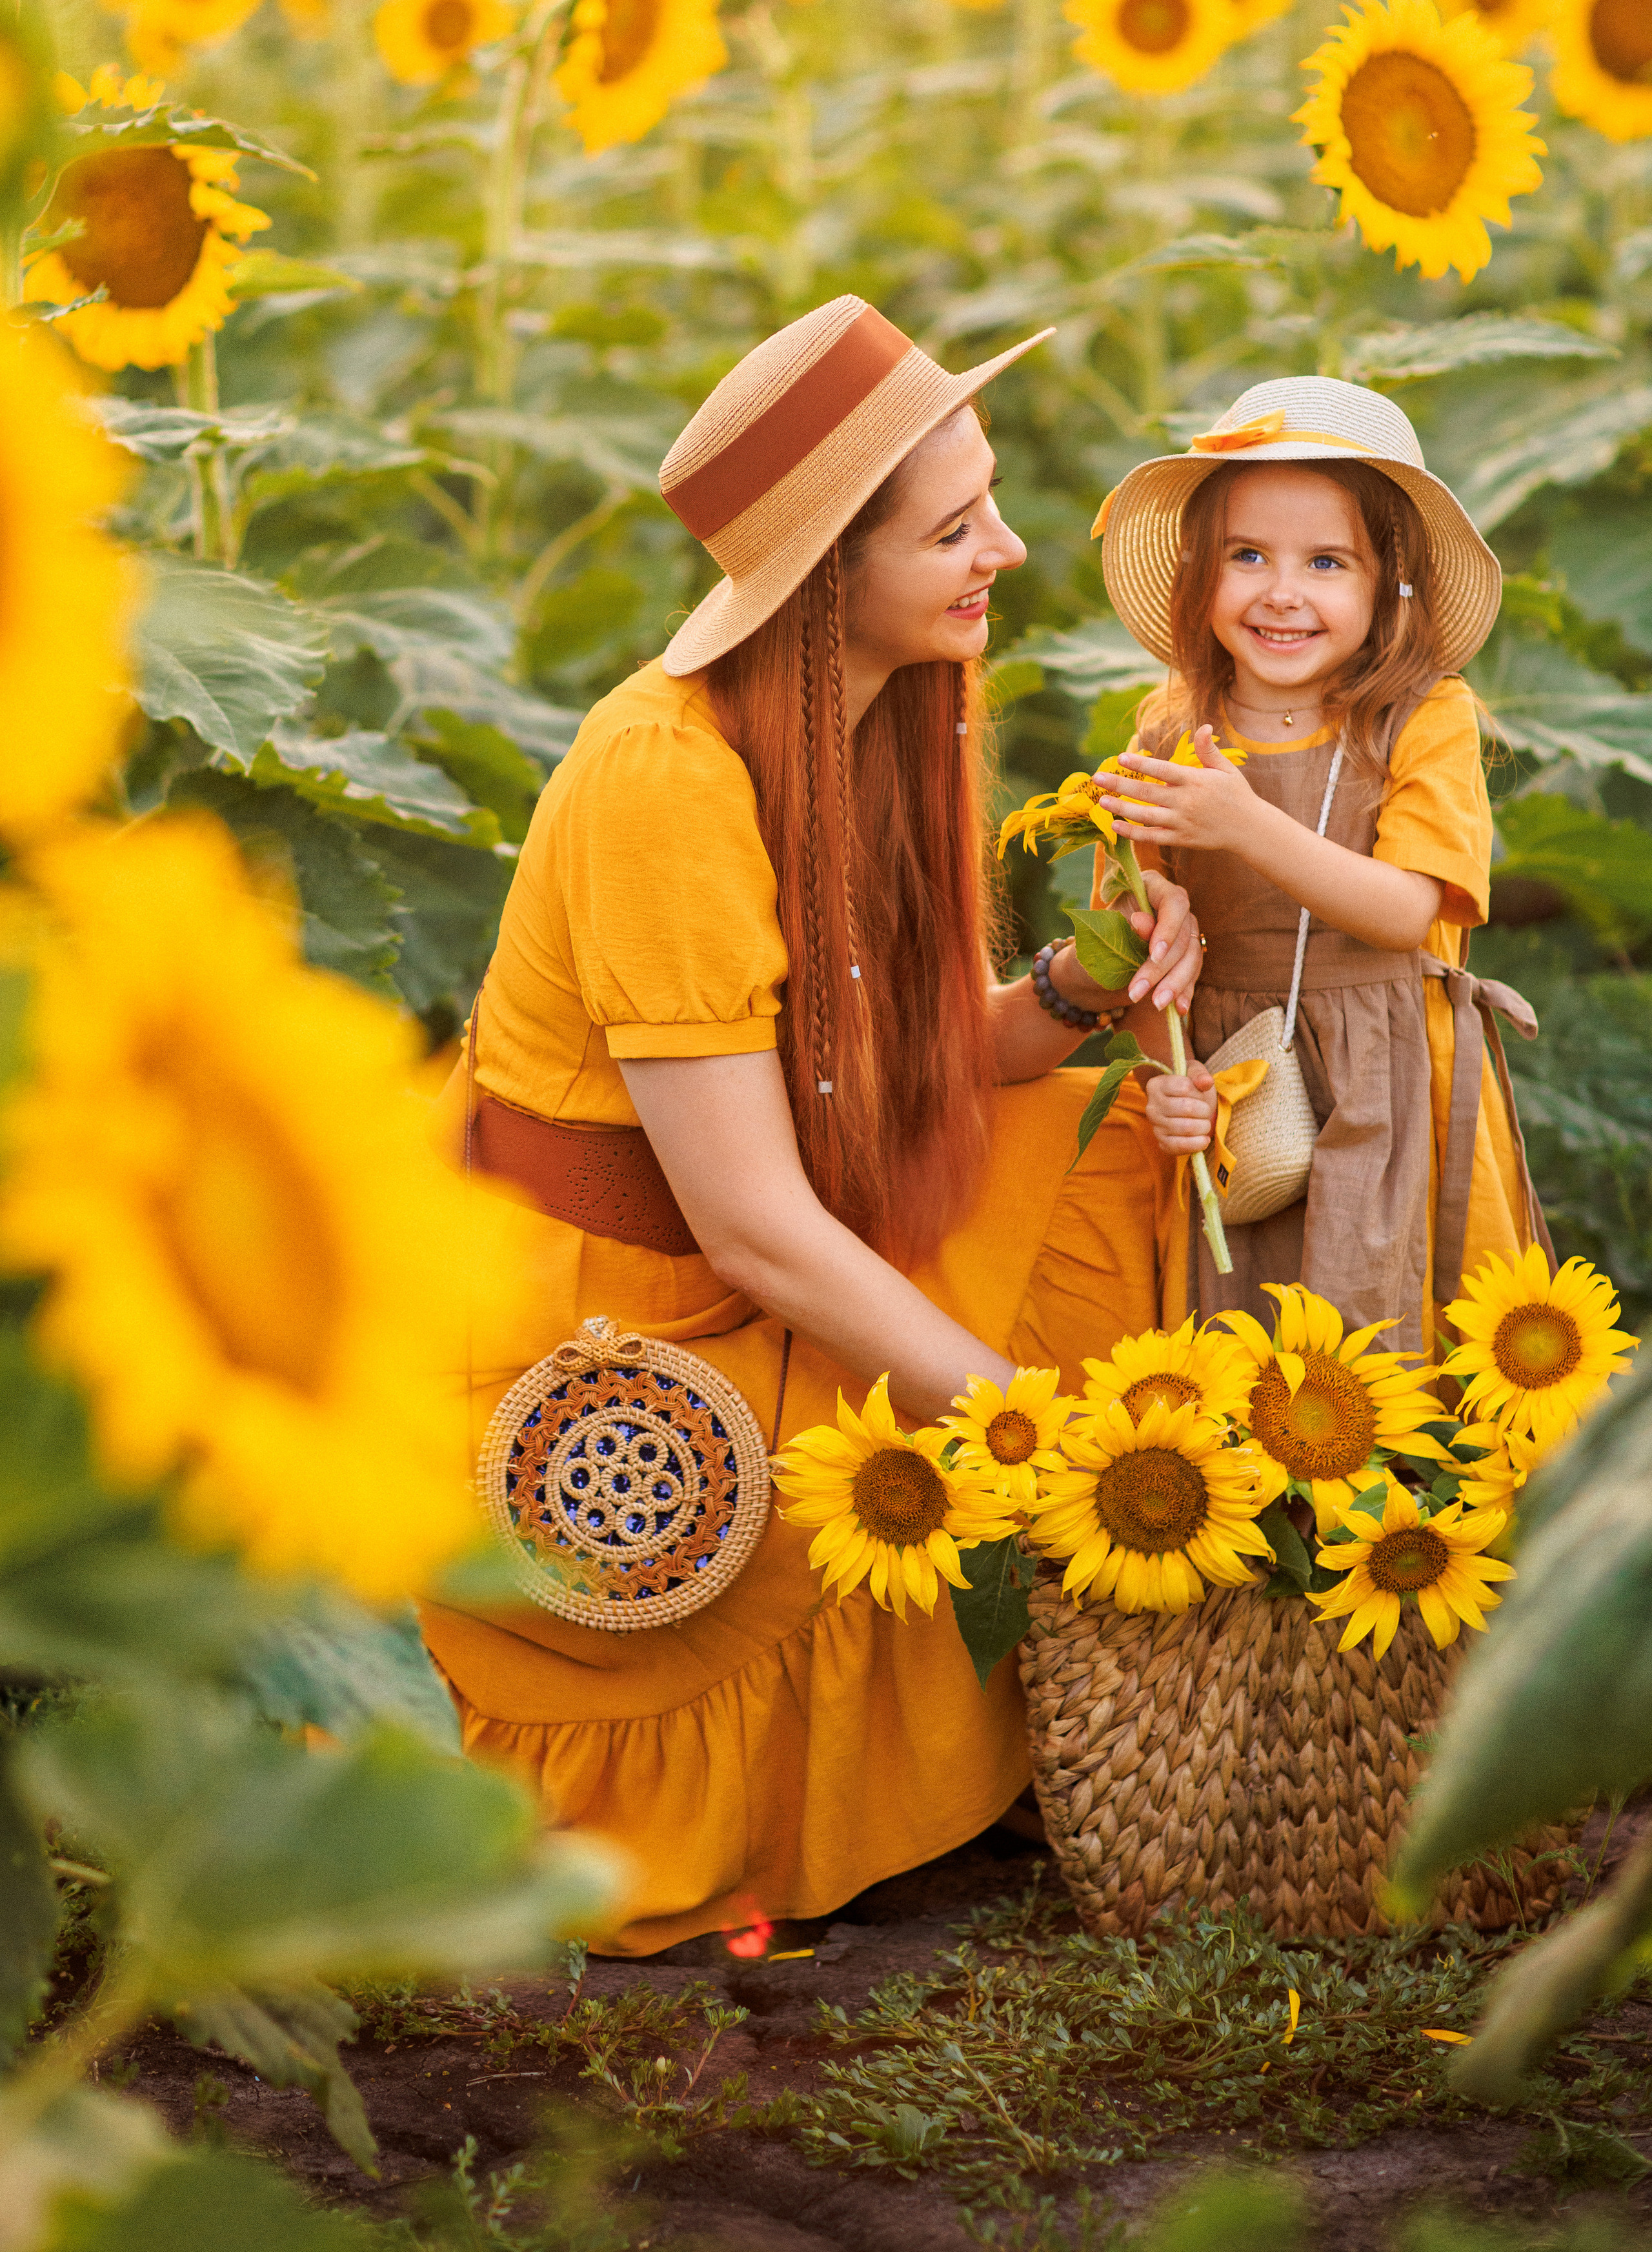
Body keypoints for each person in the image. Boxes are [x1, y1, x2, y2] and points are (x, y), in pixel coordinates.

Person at [422, 295, 1198, 1955]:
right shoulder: (666, 785)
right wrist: (1030, 1434)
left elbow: (887, 1068)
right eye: (951, 526)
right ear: (823, 573)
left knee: (1141, 1144)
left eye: (985, 498)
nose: (1002, 546)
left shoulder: (858, 723)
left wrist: (1083, 981)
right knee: (941, 1421)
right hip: (617, 1331)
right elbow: (756, 1228)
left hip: (751, 1246)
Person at [1089, 374, 1551, 1354]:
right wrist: (1162, 1068)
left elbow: (1407, 909)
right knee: (1236, 1350)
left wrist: (1245, 823)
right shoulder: (1173, 729)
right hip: (1232, 1083)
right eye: (1246, 555)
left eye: (1327, 561)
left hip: (1393, 1079)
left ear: (1392, 585)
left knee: (1394, 1340)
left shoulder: (1421, 718)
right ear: (1196, 577)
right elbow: (1137, 956)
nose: (1282, 592)